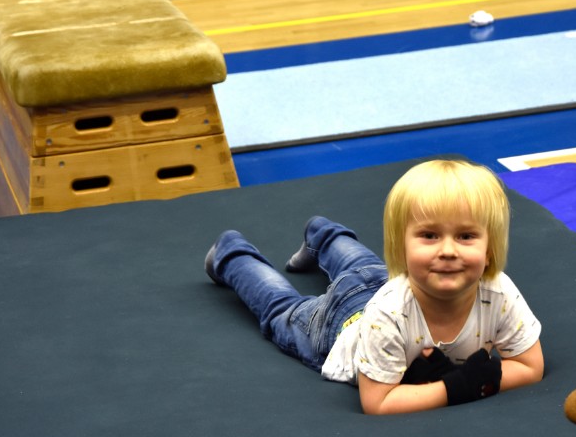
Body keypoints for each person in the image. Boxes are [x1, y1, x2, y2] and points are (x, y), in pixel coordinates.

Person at [205, 160, 543, 414]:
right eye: (429, 236)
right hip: (341, 324)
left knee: (362, 269)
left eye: (466, 236)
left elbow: (530, 366)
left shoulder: (497, 292)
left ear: (490, 252)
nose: (448, 250)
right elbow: (378, 401)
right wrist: (461, 384)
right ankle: (232, 254)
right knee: (282, 311)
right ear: (401, 251)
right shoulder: (389, 313)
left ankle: (324, 235)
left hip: (381, 280)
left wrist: (475, 377)